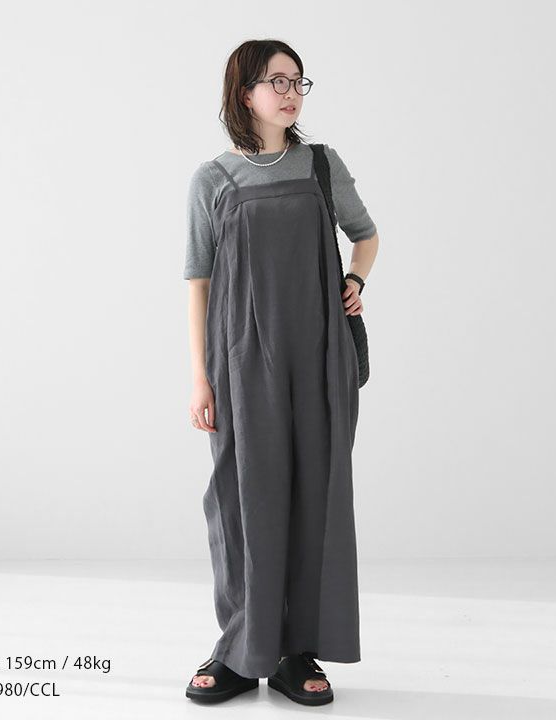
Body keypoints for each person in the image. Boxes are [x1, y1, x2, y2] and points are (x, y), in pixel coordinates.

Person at [183, 38, 379, 706]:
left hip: (319, 357)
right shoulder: (213, 179)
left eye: (298, 81)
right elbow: (198, 282)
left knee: (315, 498)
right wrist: (200, 377)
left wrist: (356, 279)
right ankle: (241, 650)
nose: (291, 92)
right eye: (277, 81)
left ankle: (298, 651)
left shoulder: (321, 164)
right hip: (241, 361)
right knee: (243, 499)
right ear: (245, 93)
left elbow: (366, 234)